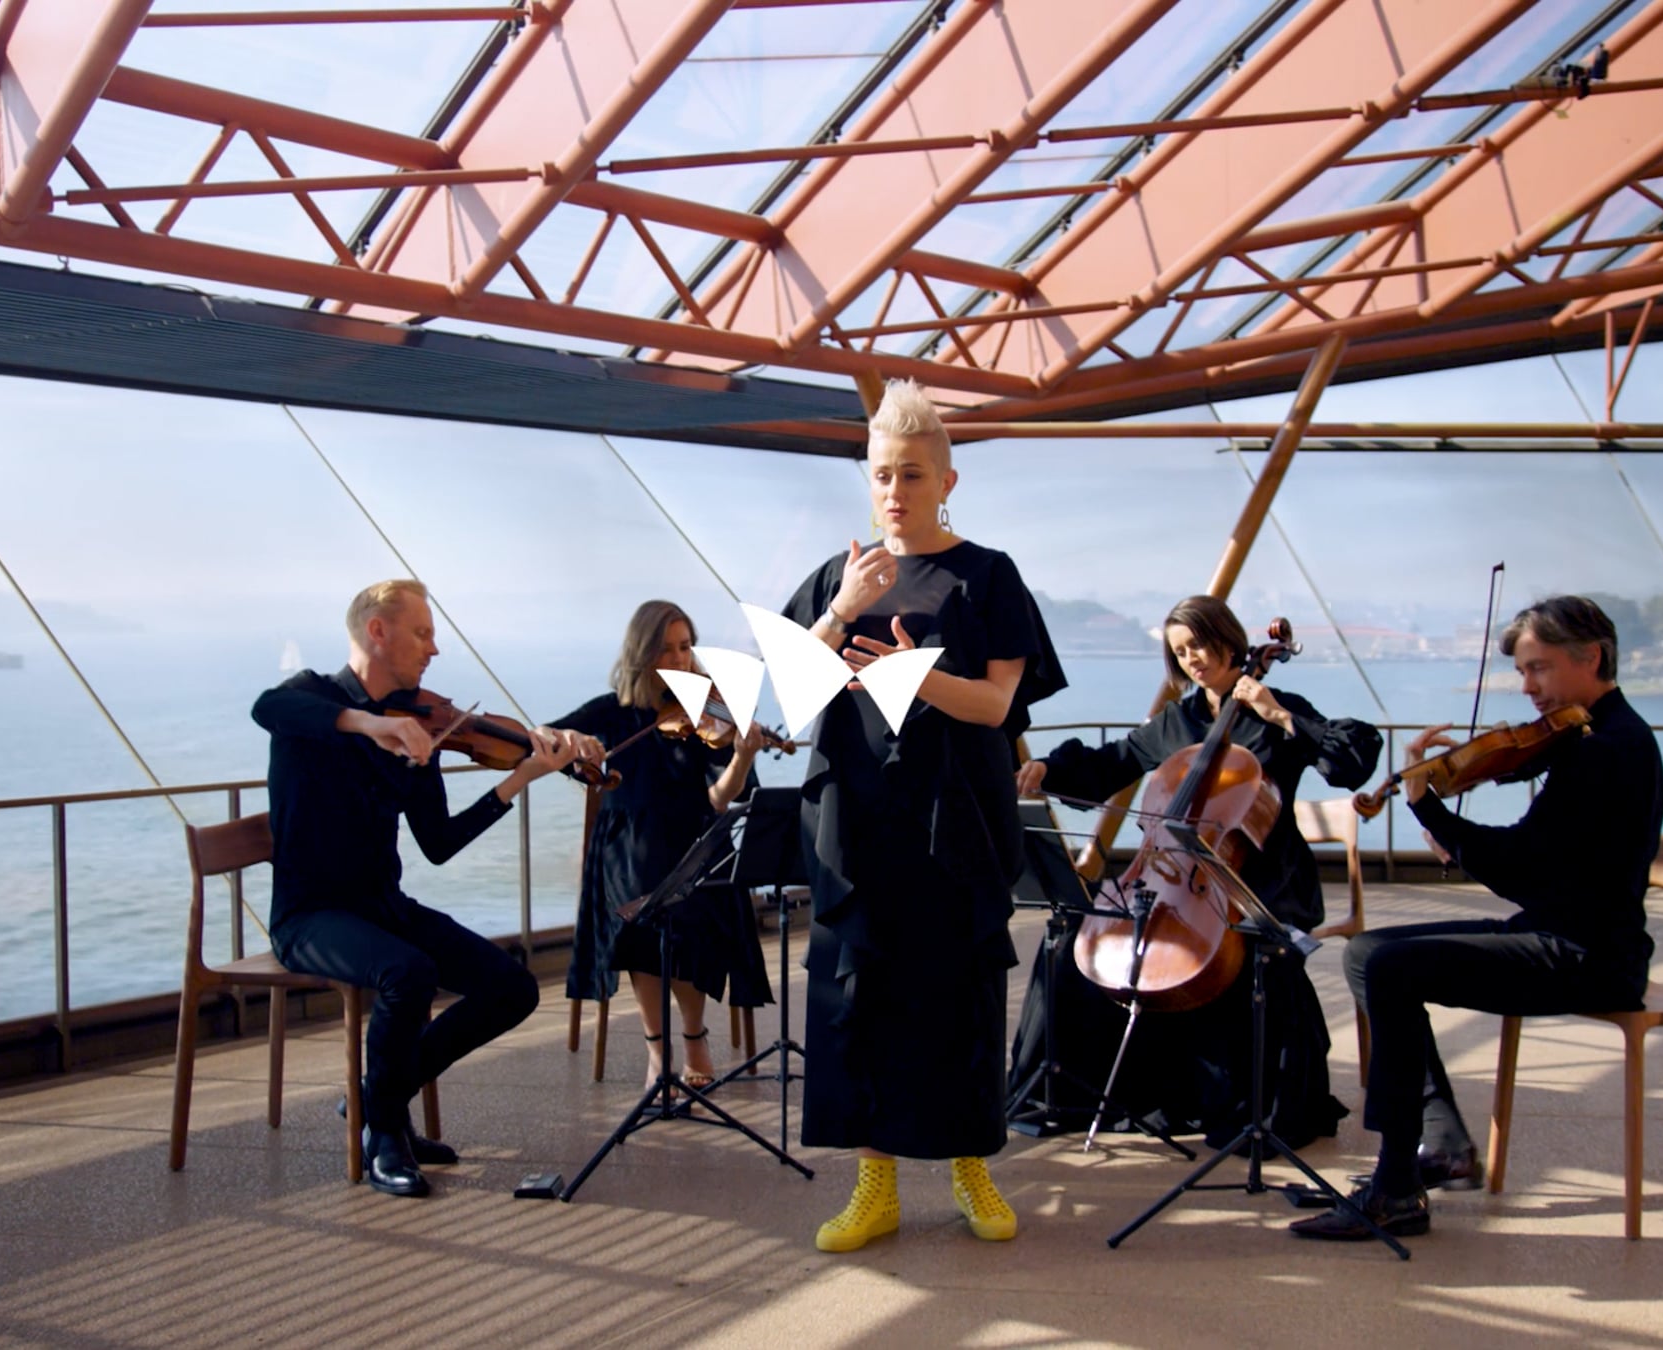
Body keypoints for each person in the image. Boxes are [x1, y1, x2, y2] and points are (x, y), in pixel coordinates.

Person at [782, 380, 1065, 1253]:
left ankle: (971, 1168)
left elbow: (998, 706)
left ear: (946, 480)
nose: (894, 491)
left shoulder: (988, 575)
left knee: (958, 998)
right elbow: (791, 698)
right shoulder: (838, 576)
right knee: (861, 997)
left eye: (910, 474)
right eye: (881, 475)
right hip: (858, 823)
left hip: (957, 821)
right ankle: (875, 1187)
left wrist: (917, 677)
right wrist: (838, 613)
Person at [1291, 595, 1663, 1240]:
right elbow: (1535, 858)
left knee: (1389, 966)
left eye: (1539, 668)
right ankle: (1439, 1146)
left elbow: (1520, 870)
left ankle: (1396, 1189)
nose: (1528, 688)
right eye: (1522, 672)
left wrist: (1431, 811)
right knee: (1366, 953)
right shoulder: (1588, 738)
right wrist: (1455, 824)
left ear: (1591, 656)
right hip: (1557, 933)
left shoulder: (1606, 748)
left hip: (1587, 957)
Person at [252, 579, 591, 1198]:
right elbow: (266, 709)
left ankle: (375, 1097)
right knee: (407, 973)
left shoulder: (420, 725)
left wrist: (523, 776)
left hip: (383, 907)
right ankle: (384, 1135)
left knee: (511, 987)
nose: (434, 648)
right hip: (310, 915)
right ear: (377, 632)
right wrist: (366, 725)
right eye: (422, 633)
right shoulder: (311, 697)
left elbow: (438, 842)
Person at [1015, 594, 1380, 1145]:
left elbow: (1349, 762)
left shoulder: (1277, 710)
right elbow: (1112, 763)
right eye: (1180, 652)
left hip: (1261, 886)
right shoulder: (1178, 720)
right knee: (1072, 945)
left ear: (1228, 640)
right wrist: (1048, 768)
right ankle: (1078, 1093)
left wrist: (1280, 715)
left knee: (1248, 959)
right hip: (1173, 883)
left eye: (1199, 645)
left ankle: (1239, 1104)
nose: (1192, 659)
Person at [553, 600, 771, 1089]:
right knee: (642, 910)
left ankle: (693, 1038)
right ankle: (658, 1048)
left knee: (687, 912)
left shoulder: (710, 708)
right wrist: (577, 751)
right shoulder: (611, 711)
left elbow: (721, 799)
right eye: (666, 649)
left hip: (697, 842)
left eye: (685, 647)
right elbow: (550, 740)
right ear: (642, 653)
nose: (678, 659)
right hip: (628, 849)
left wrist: (741, 758)